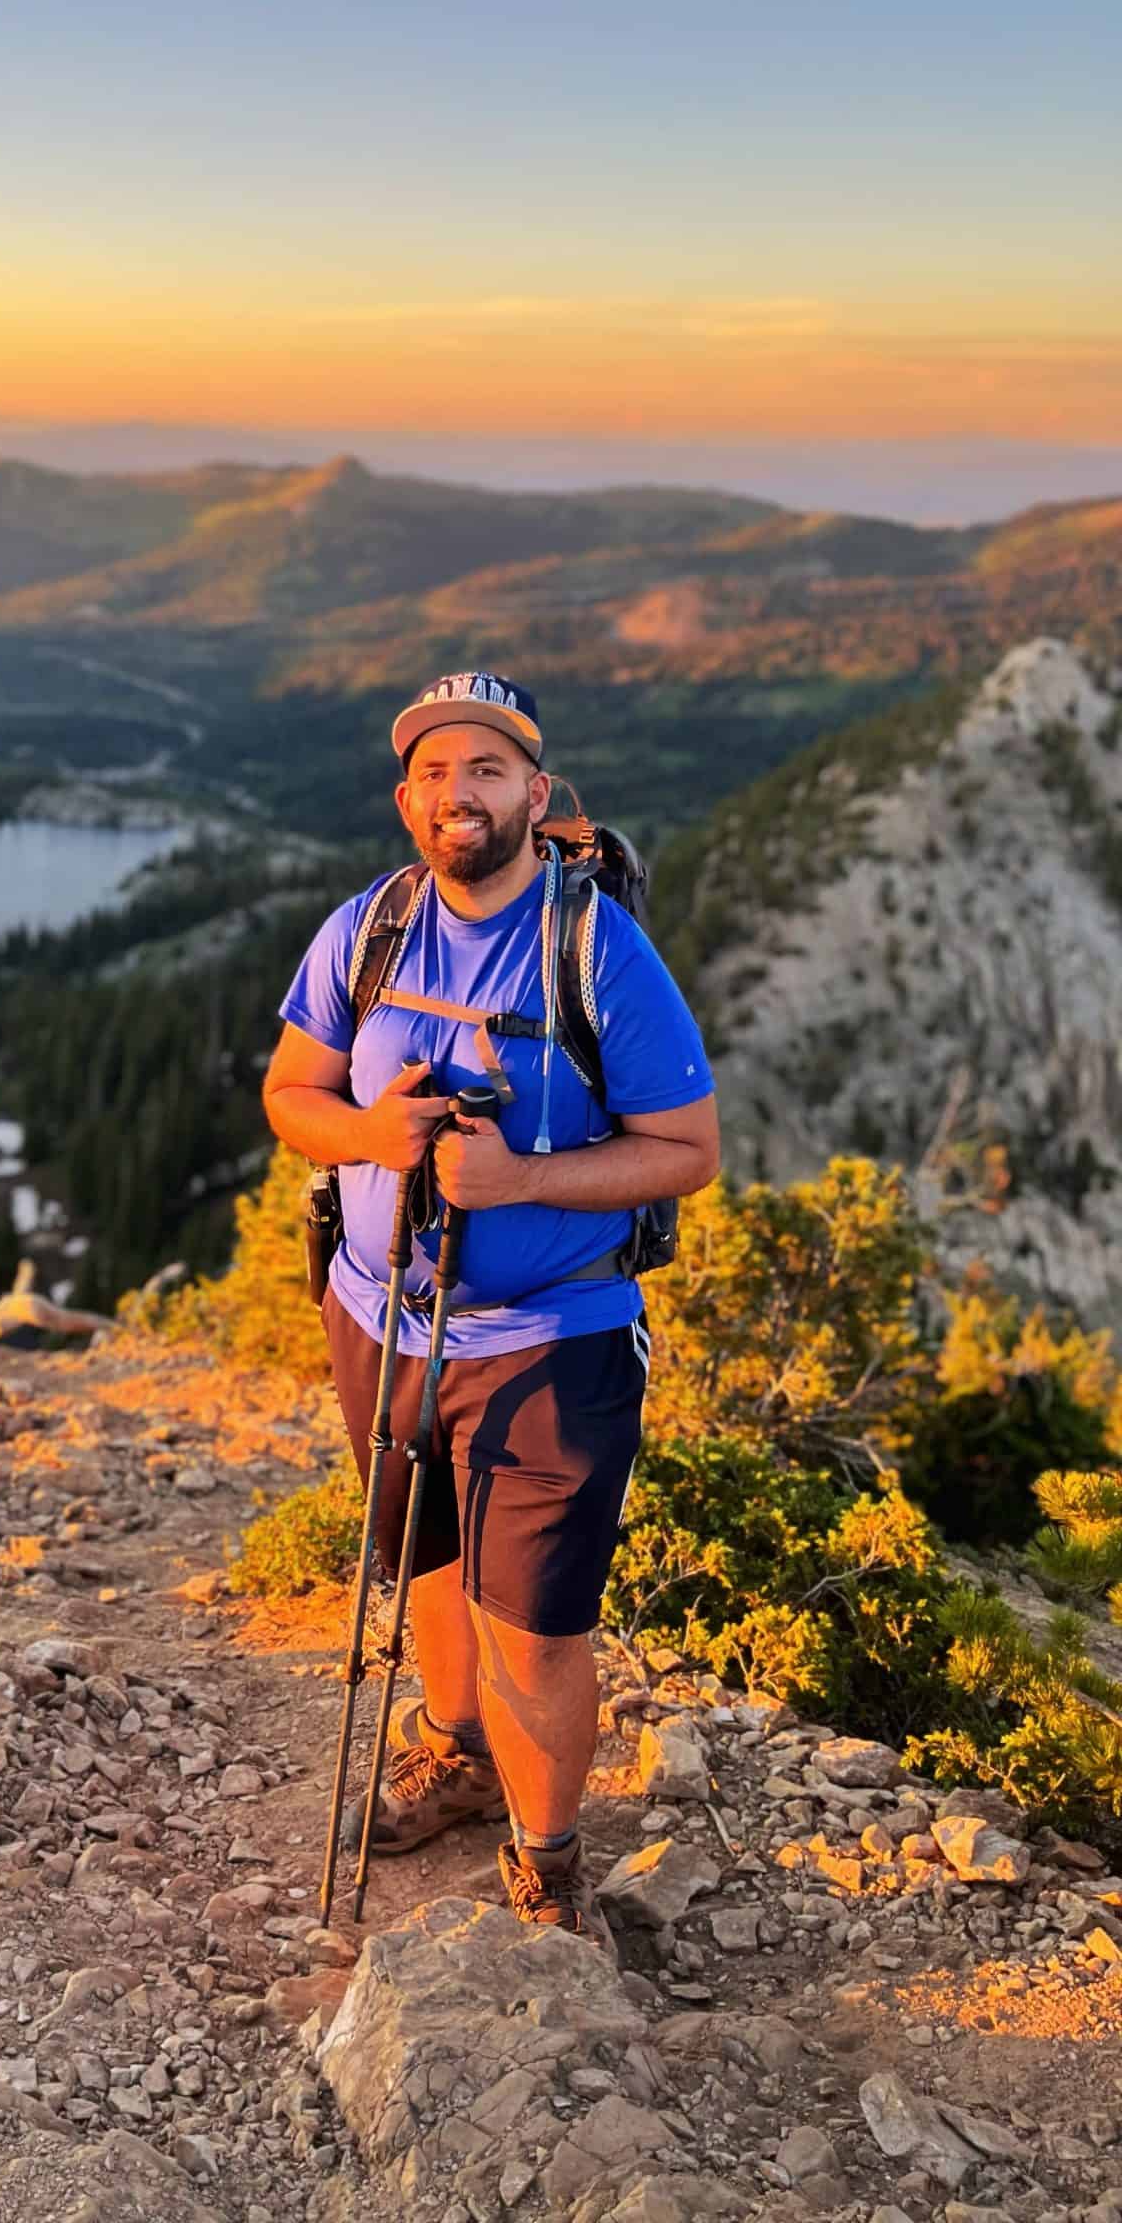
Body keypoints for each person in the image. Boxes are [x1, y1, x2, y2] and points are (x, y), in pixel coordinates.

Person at [263, 668, 720, 1938]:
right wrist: (369, 1129)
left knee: (534, 1622)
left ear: (534, 789)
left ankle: (548, 1858)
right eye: (433, 773)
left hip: (550, 1341)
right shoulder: (371, 927)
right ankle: (456, 1755)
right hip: (384, 1315)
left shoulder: (596, 949)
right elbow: (288, 1093)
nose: (456, 793)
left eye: (485, 769)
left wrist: (518, 1176)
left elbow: (687, 1148)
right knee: (427, 1558)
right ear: (406, 798)